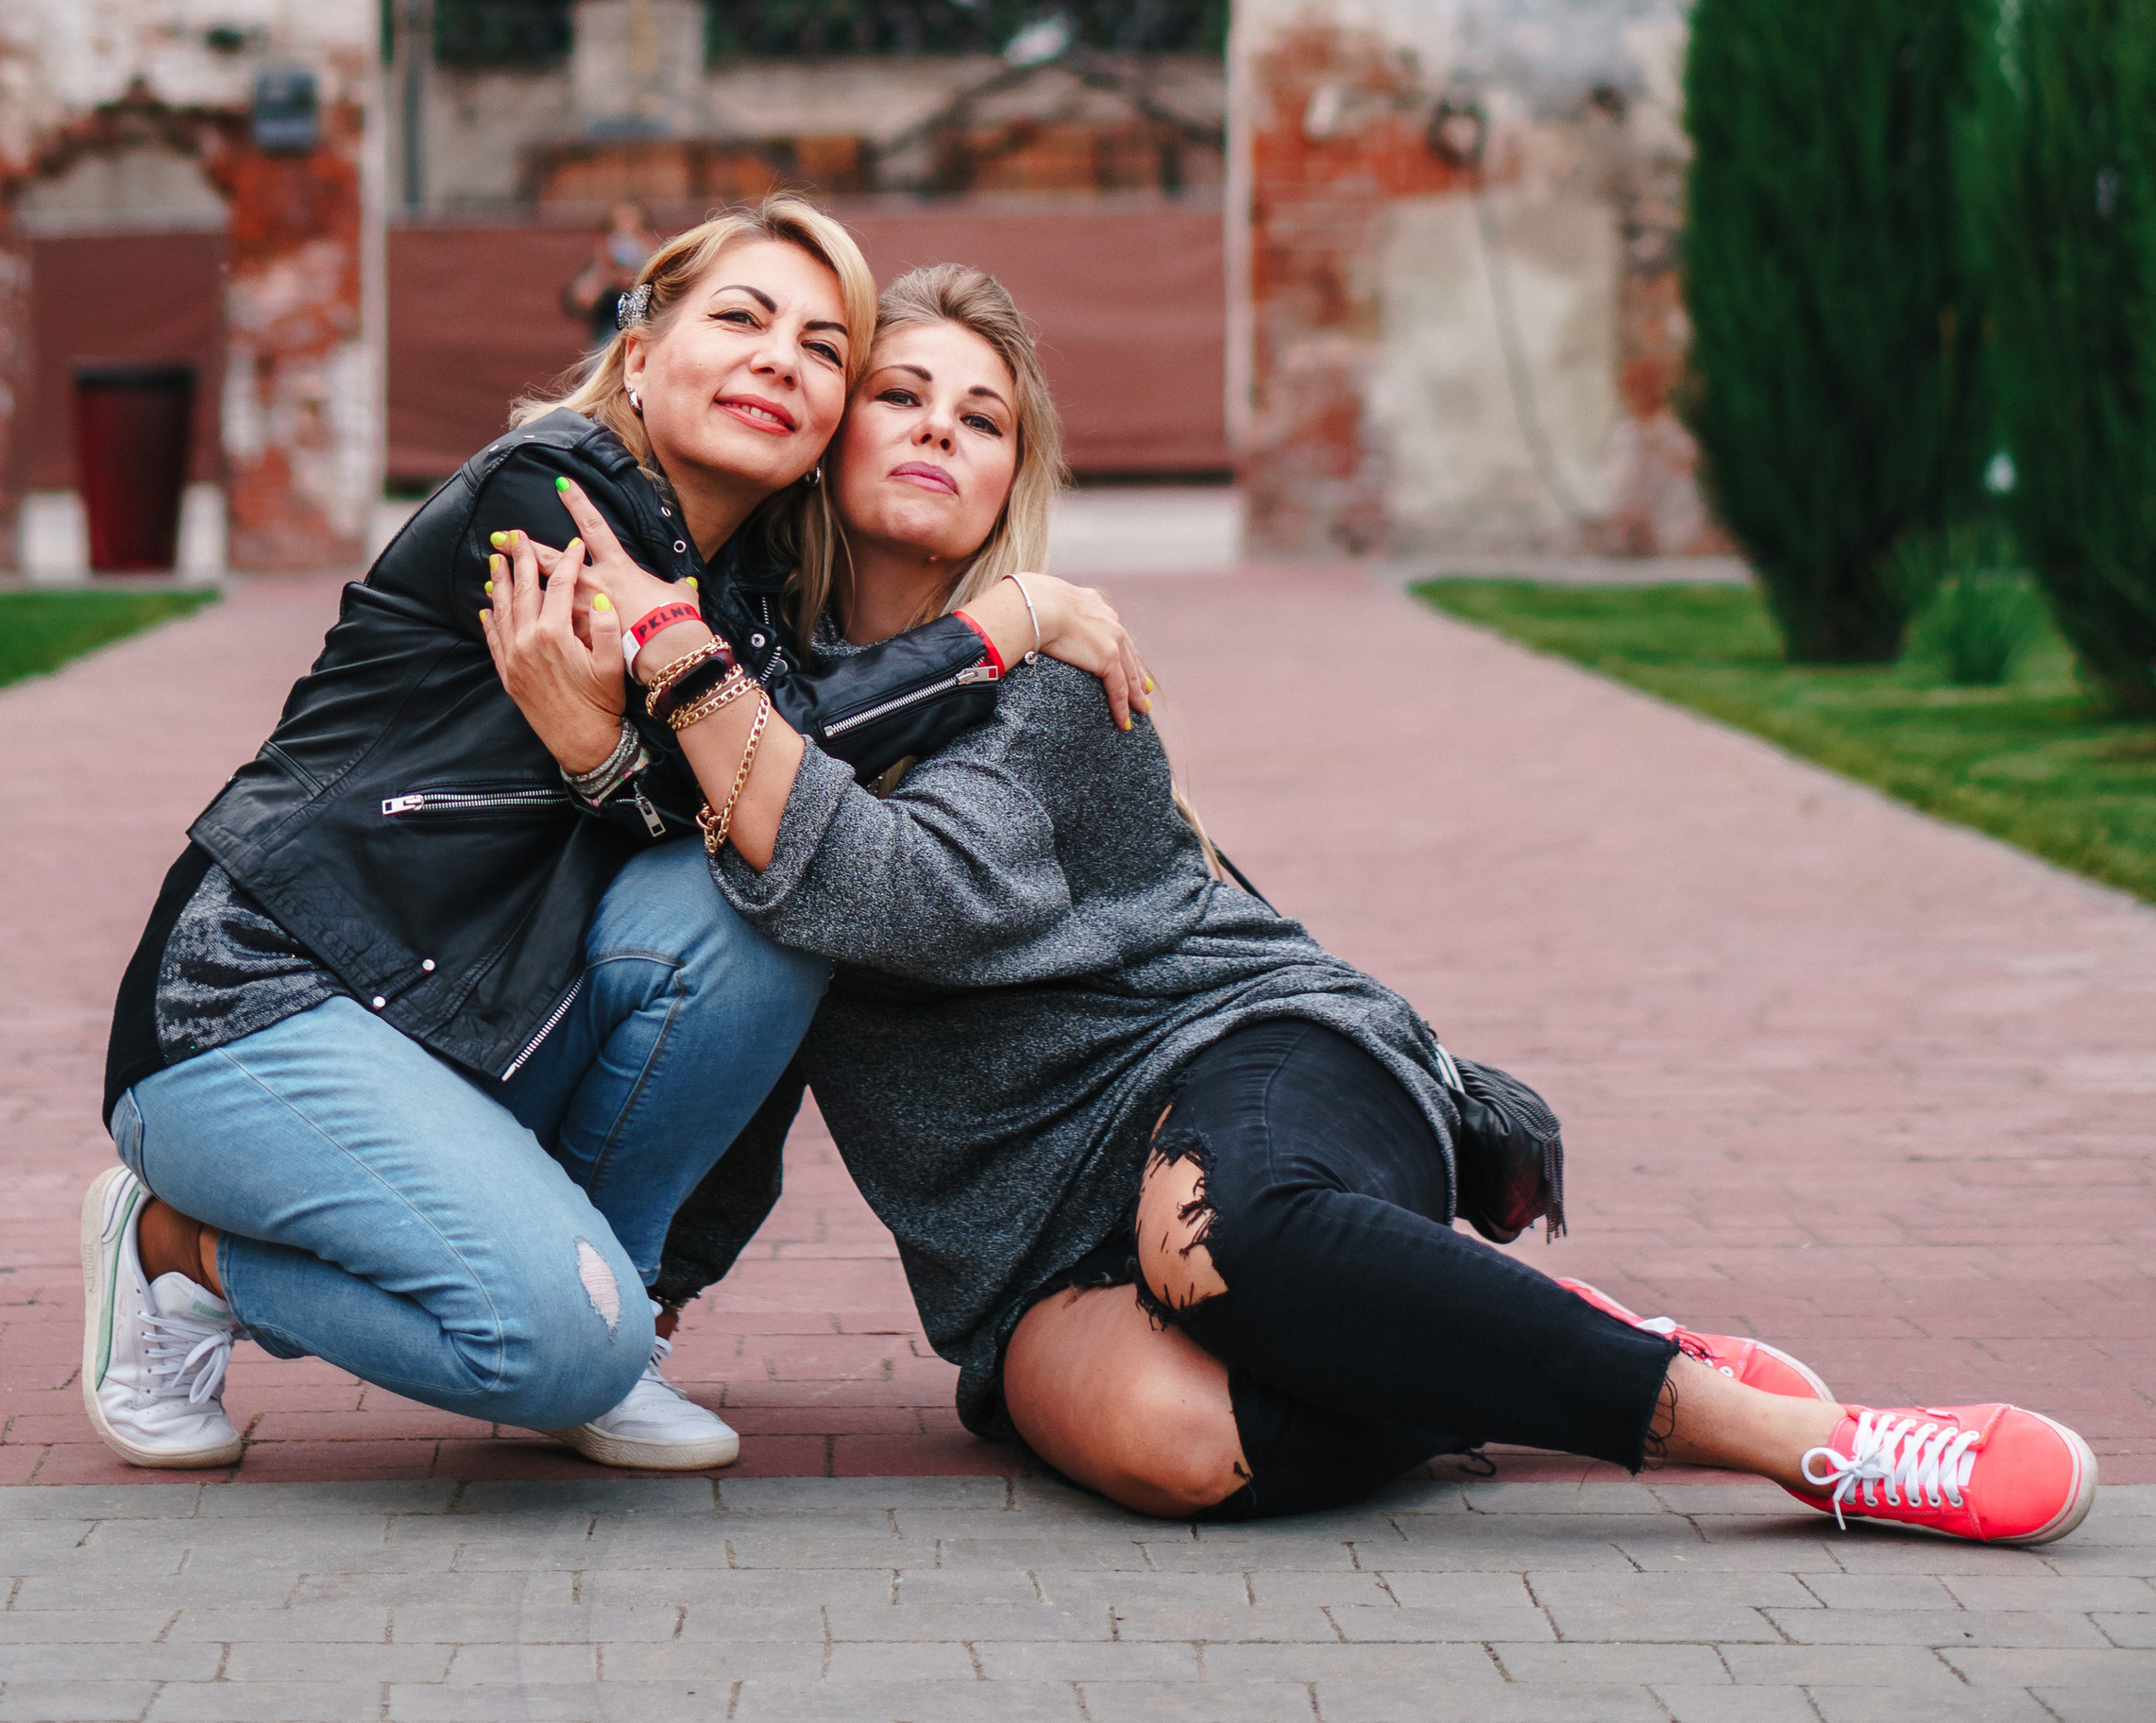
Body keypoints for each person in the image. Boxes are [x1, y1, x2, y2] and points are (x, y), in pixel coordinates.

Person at [484, 261, 2100, 1550]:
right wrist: (641, 1298)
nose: (935, 430)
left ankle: (1803, 1442)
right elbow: (744, 1018)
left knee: (1229, 1240)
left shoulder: (1039, 680)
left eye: (981, 420)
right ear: (830, 433)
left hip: (1242, 1057)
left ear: (1007, 487)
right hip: (1026, 1238)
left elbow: (906, 898)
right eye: (898, 393)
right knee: (1185, 1452)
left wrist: (686, 675)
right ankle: (1480, 1334)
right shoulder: (761, 696)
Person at [82, 205, 1146, 1479]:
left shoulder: (732, 589)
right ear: (640, 351)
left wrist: (604, 751)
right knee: (546, 1348)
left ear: (823, 424)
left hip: (461, 1023)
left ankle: (610, 1313)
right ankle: (174, 1253)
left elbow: (748, 790)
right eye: (740, 319)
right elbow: (777, 738)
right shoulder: (550, 490)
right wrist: (1003, 623)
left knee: (752, 892)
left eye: (820, 348)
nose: (779, 359)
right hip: (261, 1004)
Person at [563, 200, 653, 348]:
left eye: (633, 227)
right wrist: (605, 270)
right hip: (605, 346)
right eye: (618, 227)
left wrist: (647, 268)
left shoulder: (656, 267)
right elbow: (583, 301)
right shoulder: (601, 267)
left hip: (643, 346)